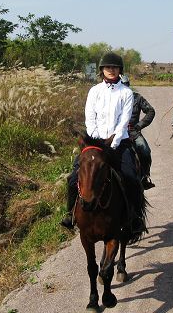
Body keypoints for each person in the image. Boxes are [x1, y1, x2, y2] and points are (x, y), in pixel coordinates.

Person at [60, 52, 143, 230]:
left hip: (119, 144)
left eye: (115, 67)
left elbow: (124, 121)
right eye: (108, 67)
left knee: (131, 178)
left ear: (120, 70)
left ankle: (135, 217)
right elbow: (90, 118)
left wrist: (112, 143)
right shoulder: (94, 91)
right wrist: (97, 143)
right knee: (73, 178)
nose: (111, 70)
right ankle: (70, 214)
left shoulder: (127, 93)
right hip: (94, 145)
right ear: (102, 70)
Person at [120, 74, 156, 189]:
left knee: (145, 150)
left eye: (126, 85)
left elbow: (150, 111)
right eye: (122, 86)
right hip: (116, 133)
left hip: (133, 132)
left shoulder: (137, 98)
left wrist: (139, 125)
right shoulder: (112, 98)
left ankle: (144, 177)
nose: (124, 88)